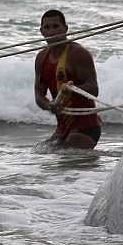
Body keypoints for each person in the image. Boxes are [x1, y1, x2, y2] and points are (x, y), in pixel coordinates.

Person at [33, 10, 102, 149]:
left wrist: (73, 90)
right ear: (41, 31)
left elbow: (94, 89)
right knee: (38, 153)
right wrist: (49, 105)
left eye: (56, 26)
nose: (51, 32)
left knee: (64, 160)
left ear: (65, 28)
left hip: (86, 127)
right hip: (62, 129)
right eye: (47, 28)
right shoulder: (41, 58)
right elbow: (39, 94)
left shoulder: (77, 53)